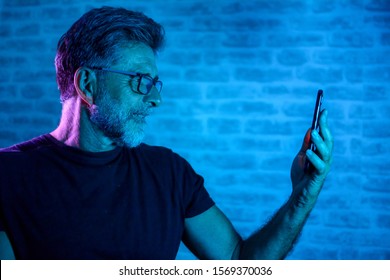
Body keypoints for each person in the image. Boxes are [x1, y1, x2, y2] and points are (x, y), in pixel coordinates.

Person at [0, 6, 333, 260]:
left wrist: (302, 197)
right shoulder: (8, 175)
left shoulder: (170, 173)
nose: (156, 98)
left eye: (155, 83)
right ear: (88, 84)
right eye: (140, 81)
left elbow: (238, 263)